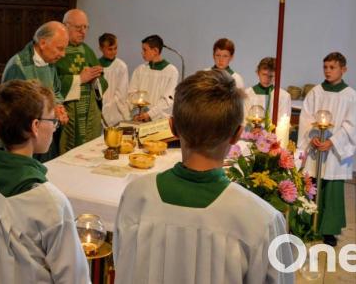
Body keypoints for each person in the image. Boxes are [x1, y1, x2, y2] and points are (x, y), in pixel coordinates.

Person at [113, 70, 294, 284]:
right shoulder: (261, 220)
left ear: (172, 128)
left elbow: (122, 263)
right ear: (237, 134)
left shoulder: (136, 196)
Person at [0, 80, 90, 284]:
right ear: (35, 126)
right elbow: (74, 277)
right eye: (52, 119)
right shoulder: (49, 200)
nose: (55, 126)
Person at [297, 52, 356, 247]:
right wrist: (313, 136)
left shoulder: (351, 96)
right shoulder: (316, 92)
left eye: (332, 67)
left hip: (333, 151)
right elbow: (306, 118)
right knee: (311, 183)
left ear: (343, 69)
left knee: (331, 188)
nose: (328, 71)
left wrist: (332, 142)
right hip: (316, 146)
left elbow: (350, 125)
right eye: (325, 67)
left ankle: (329, 230)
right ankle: (305, 224)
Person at [0, 21, 70, 162]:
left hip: (45, 134)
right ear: (42, 43)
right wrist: (50, 111)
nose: (63, 54)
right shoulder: (18, 66)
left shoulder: (50, 64)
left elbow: (57, 91)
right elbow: (13, 111)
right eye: (60, 49)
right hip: (22, 141)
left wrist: (58, 106)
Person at [55, 9, 108, 153]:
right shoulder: (58, 50)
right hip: (68, 116)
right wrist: (80, 79)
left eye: (86, 27)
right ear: (66, 26)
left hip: (90, 114)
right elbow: (51, 84)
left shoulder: (88, 51)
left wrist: (95, 80)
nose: (83, 32)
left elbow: (103, 82)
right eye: (79, 28)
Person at [127, 35, 179, 122]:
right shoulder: (140, 70)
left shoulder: (171, 71)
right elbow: (131, 94)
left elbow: (167, 100)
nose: (142, 53)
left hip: (160, 120)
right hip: (139, 118)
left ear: (155, 51)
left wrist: (149, 114)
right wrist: (136, 113)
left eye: (145, 50)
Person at [244, 57, 291, 132]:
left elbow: (283, 123)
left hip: (272, 138)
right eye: (264, 74)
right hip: (250, 135)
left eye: (271, 76)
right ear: (257, 73)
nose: (267, 79)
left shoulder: (283, 96)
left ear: (276, 76)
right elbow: (243, 119)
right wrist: (252, 129)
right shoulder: (247, 94)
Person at [99, 33, 130, 127]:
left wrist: (105, 109)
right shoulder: (95, 65)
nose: (113, 52)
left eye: (115, 48)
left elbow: (121, 95)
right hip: (98, 112)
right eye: (110, 49)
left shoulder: (121, 67)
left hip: (115, 114)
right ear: (101, 48)